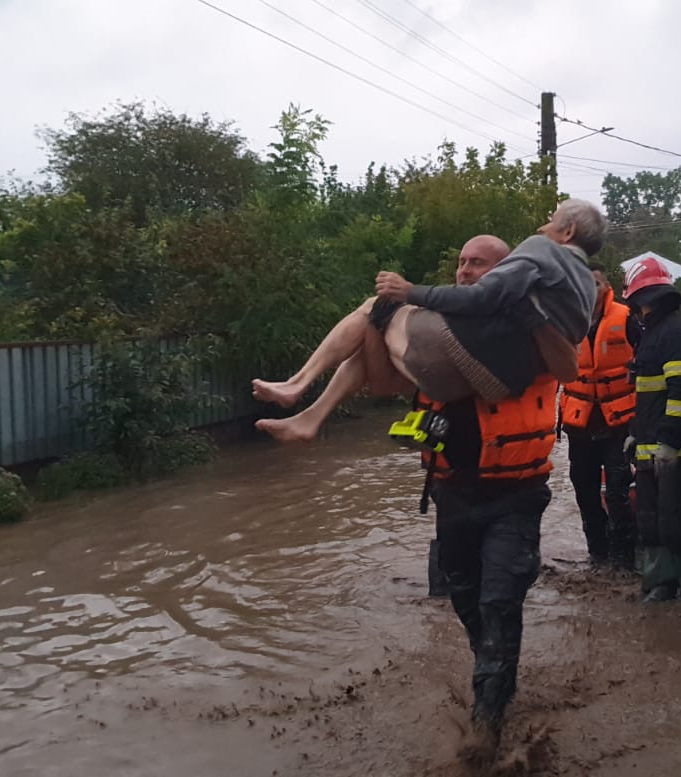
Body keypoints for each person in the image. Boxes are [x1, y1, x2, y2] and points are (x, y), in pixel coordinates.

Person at [250, 200, 606, 442]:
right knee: (369, 331)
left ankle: (297, 384)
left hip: (461, 353)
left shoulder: (542, 249)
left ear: (568, 230)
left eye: (552, 221)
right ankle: (309, 417)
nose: (544, 227)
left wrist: (409, 290)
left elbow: (482, 298)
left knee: (377, 303)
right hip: (490, 384)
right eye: (462, 262)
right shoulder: (589, 290)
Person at [407, 372, 559, 762]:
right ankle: (497, 672)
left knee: (499, 600)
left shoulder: (532, 327)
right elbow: (376, 369)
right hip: (453, 494)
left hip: (516, 493)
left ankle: (486, 718)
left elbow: (566, 355)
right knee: (465, 598)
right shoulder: (430, 335)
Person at [621, 257, 681, 602]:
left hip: (677, 452)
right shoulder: (652, 337)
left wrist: (670, 443)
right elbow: (647, 398)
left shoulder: (676, 335)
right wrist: (634, 432)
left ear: (646, 300)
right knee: (650, 523)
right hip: (649, 449)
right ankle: (662, 584)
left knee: (677, 524)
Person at [424, 235, 511, 598]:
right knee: (453, 584)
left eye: (476, 263)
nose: (464, 271)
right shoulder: (432, 321)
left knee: (500, 590)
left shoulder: (520, 324)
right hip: (450, 474)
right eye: (461, 262)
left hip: (508, 480)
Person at [559, 263, 637, 569]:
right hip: (580, 426)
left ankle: (622, 559)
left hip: (618, 424)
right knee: (584, 492)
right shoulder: (564, 324)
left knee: (617, 493)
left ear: (606, 287)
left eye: (595, 283)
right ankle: (597, 555)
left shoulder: (627, 319)